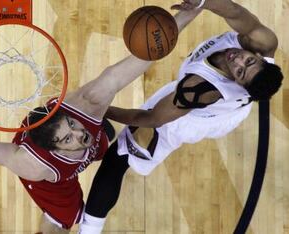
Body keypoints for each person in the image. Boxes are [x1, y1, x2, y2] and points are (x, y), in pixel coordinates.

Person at [0, 8, 201, 234]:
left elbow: (137, 60)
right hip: (55, 181)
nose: (80, 135)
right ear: (53, 149)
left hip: (76, 132)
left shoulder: (87, 105)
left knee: (104, 137)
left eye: (74, 128)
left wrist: (188, 14)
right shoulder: (33, 165)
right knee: (64, 221)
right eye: (68, 139)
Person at [78, 0, 284, 233]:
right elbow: (235, 11)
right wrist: (203, 2)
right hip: (232, 111)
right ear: (260, 56)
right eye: (248, 61)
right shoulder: (263, 42)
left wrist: (100, 109)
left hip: (187, 121)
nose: (236, 59)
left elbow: (153, 119)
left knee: (117, 160)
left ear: (236, 81)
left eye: (239, 71)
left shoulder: (199, 89)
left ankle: (89, 230)